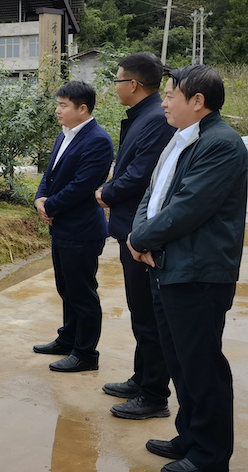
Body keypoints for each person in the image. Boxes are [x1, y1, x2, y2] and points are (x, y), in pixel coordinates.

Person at [128, 65, 247, 472]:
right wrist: (138, 234)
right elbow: (153, 194)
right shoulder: (181, 139)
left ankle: (210, 457)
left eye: (170, 95)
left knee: (202, 366)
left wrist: (140, 239)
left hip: (198, 274)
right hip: (169, 267)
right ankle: (190, 438)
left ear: (198, 101)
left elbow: (187, 208)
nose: (163, 103)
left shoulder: (221, 144)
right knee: (180, 362)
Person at [95, 52, 175, 420]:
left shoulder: (155, 119)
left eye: (116, 81)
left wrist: (106, 192)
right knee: (140, 312)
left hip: (139, 233)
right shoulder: (143, 116)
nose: (114, 88)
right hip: (130, 229)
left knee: (149, 316)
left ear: (133, 84)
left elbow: (141, 175)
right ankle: (142, 378)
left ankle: (154, 394)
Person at [33, 81, 113, 372]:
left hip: (81, 230)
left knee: (82, 292)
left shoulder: (98, 140)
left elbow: (82, 186)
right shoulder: (65, 135)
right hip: (62, 227)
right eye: (58, 104)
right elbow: (50, 174)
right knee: (66, 287)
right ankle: (68, 338)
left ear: (83, 108)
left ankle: (86, 353)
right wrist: (40, 199)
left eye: (63, 105)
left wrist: (50, 206)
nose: (58, 110)